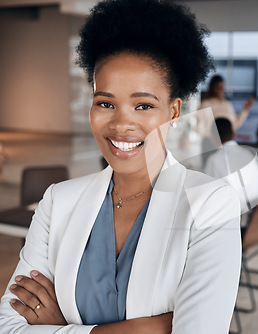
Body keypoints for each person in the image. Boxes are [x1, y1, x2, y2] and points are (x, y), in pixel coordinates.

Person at [0, 1, 241, 334]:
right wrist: (148, 329)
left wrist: (63, 326)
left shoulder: (211, 203)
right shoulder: (59, 200)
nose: (121, 123)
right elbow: (9, 325)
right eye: (105, 102)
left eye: (143, 105)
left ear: (173, 111)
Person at [204, 118, 258, 233]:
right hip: (253, 221)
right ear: (234, 134)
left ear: (212, 137)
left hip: (233, 225)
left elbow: (206, 192)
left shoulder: (215, 160)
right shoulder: (249, 154)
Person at [196, 75, 254, 166]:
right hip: (210, 144)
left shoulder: (227, 104)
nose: (221, 89)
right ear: (212, 88)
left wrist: (245, 110)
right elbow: (200, 129)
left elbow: (234, 124)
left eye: (222, 87)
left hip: (226, 144)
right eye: (218, 87)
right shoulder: (205, 105)